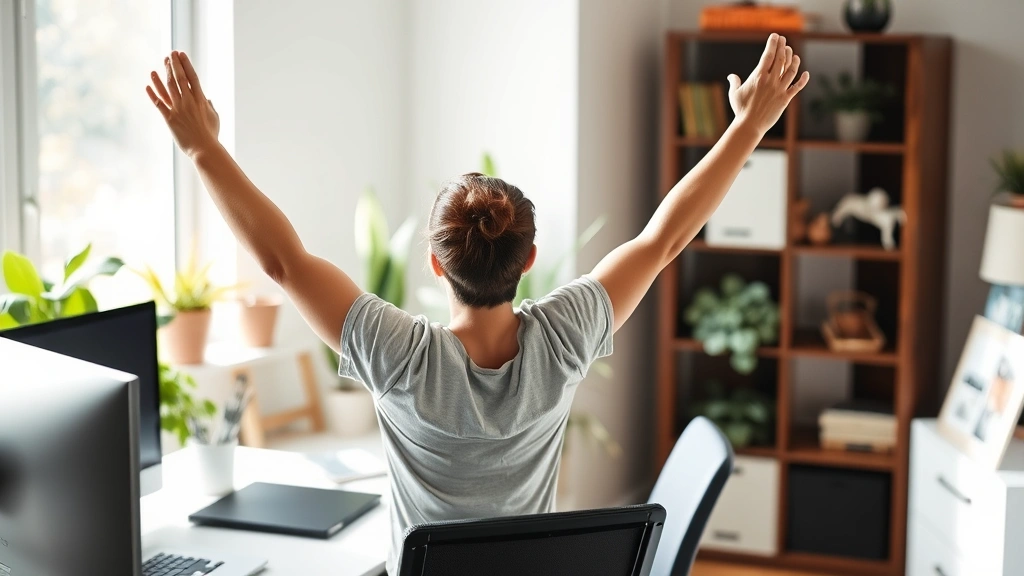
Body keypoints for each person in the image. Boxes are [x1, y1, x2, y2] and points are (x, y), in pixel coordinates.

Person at [145, 33, 808, 574]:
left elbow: (281, 262)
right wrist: (750, 125)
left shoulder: (399, 354)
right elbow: (664, 240)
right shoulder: (564, 337)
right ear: (527, 259)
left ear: (436, 264)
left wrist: (200, 144)